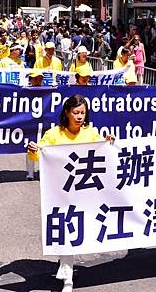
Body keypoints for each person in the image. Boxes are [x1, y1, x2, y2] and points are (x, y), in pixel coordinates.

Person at [27, 94, 114, 292]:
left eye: (83, 113)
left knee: (76, 229)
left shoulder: (91, 132)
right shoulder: (54, 134)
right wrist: (33, 149)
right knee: (67, 228)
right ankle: (67, 277)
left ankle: (66, 268)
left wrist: (109, 142)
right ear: (67, 112)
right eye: (76, 112)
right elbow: (38, 155)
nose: (79, 116)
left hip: (84, 191)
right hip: (60, 192)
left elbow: (104, 151)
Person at [25, 69, 45, 180]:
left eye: (40, 78)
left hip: (43, 124)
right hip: (29, 124)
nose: (38, 80)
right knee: (30, 147)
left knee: (44, 148)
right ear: (30, 79)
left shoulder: (47, 90)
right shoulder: (24, 90)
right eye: (35, 78)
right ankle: (30, 172)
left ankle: (43, 171)